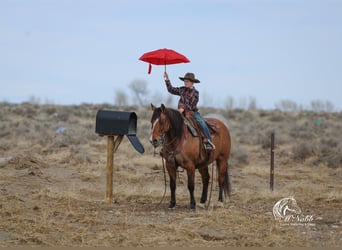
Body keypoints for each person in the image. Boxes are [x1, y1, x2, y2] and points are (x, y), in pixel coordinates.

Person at [164, 71, 215, 150]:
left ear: (192, 82)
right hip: (181, 113)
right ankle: (167, 142)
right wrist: (167, 79)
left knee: (202, 123)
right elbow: (171, 89)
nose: (185, 83)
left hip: (192, 113)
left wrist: (182, 107)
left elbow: (192, 104)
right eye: (184, 81)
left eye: (187, 81)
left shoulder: (195, 93)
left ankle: (208, 141)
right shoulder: (181, 89)